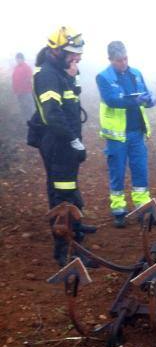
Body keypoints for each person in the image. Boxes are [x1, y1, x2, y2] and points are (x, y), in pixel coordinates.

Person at [30, 26, 96, 265]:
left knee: (68, 189)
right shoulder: (47, 75)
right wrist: (73, 140)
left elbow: (69, 99)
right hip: (58, 144)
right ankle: (66, 251)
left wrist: (72, 75)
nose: (77, 57)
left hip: (63, 143)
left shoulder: (59, 72)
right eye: (72, 53)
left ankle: (75, 228)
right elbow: (52, 115)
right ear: (56, 51)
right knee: (62, 195)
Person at [96, 41, 156, 227]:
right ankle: (119, 209)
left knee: (140, 170)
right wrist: (135, 100)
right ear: (110, 60)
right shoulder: (103, 77)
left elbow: (146, 94)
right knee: (117, 172)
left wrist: (149, 100)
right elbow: (112, 100)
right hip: (117, 136)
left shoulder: (136, 73)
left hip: (137, 132)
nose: (123, 63)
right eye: (118, 60)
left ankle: (142, 206)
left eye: (125, 58)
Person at [11, 52, 34, 124]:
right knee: (23, 107)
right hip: (19, 92)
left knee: (30, 107)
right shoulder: (16, 68)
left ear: (23, 59)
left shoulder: (27, 67)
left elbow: (28, 78)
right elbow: (14, 79)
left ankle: (33, 121)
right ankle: (26, 121)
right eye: (17, 59)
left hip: (26, 92)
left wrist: (23, 87)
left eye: (19, 59)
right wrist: (16, 90)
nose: (18, 60)